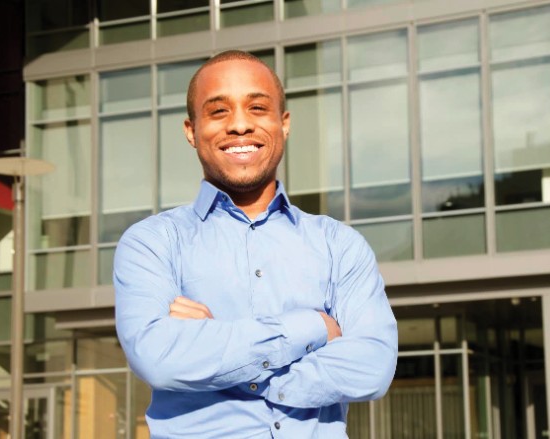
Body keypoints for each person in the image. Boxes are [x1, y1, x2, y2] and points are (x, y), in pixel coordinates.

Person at [114, 50, 398, 438]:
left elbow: (372, 366)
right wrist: (312, 327)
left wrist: (222, 359)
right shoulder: (152, 243)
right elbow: (159, 359)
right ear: (191, 130)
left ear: (283, 124)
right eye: (218, 112)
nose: (241, 126)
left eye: (258, 108)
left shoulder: (340, 245)